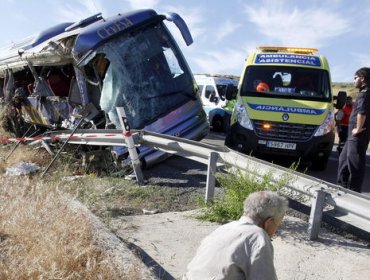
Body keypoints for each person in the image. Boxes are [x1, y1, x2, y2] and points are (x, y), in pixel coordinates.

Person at [184, 191, 288, 280]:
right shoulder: (258, 237)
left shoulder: (224, 228)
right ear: (269, 222)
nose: (276, 230)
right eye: (278, 224)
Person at [337, 67, 370, 192]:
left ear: (362, 78)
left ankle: (354, 192)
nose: (354, 81)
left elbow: (362, 112)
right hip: (354, 135)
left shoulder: (365, 93)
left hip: (357, 134)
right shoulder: (365, 92)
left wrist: (358, 128)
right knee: (343, 160)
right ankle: (341, 187)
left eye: (355, 78)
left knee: (355, 163)